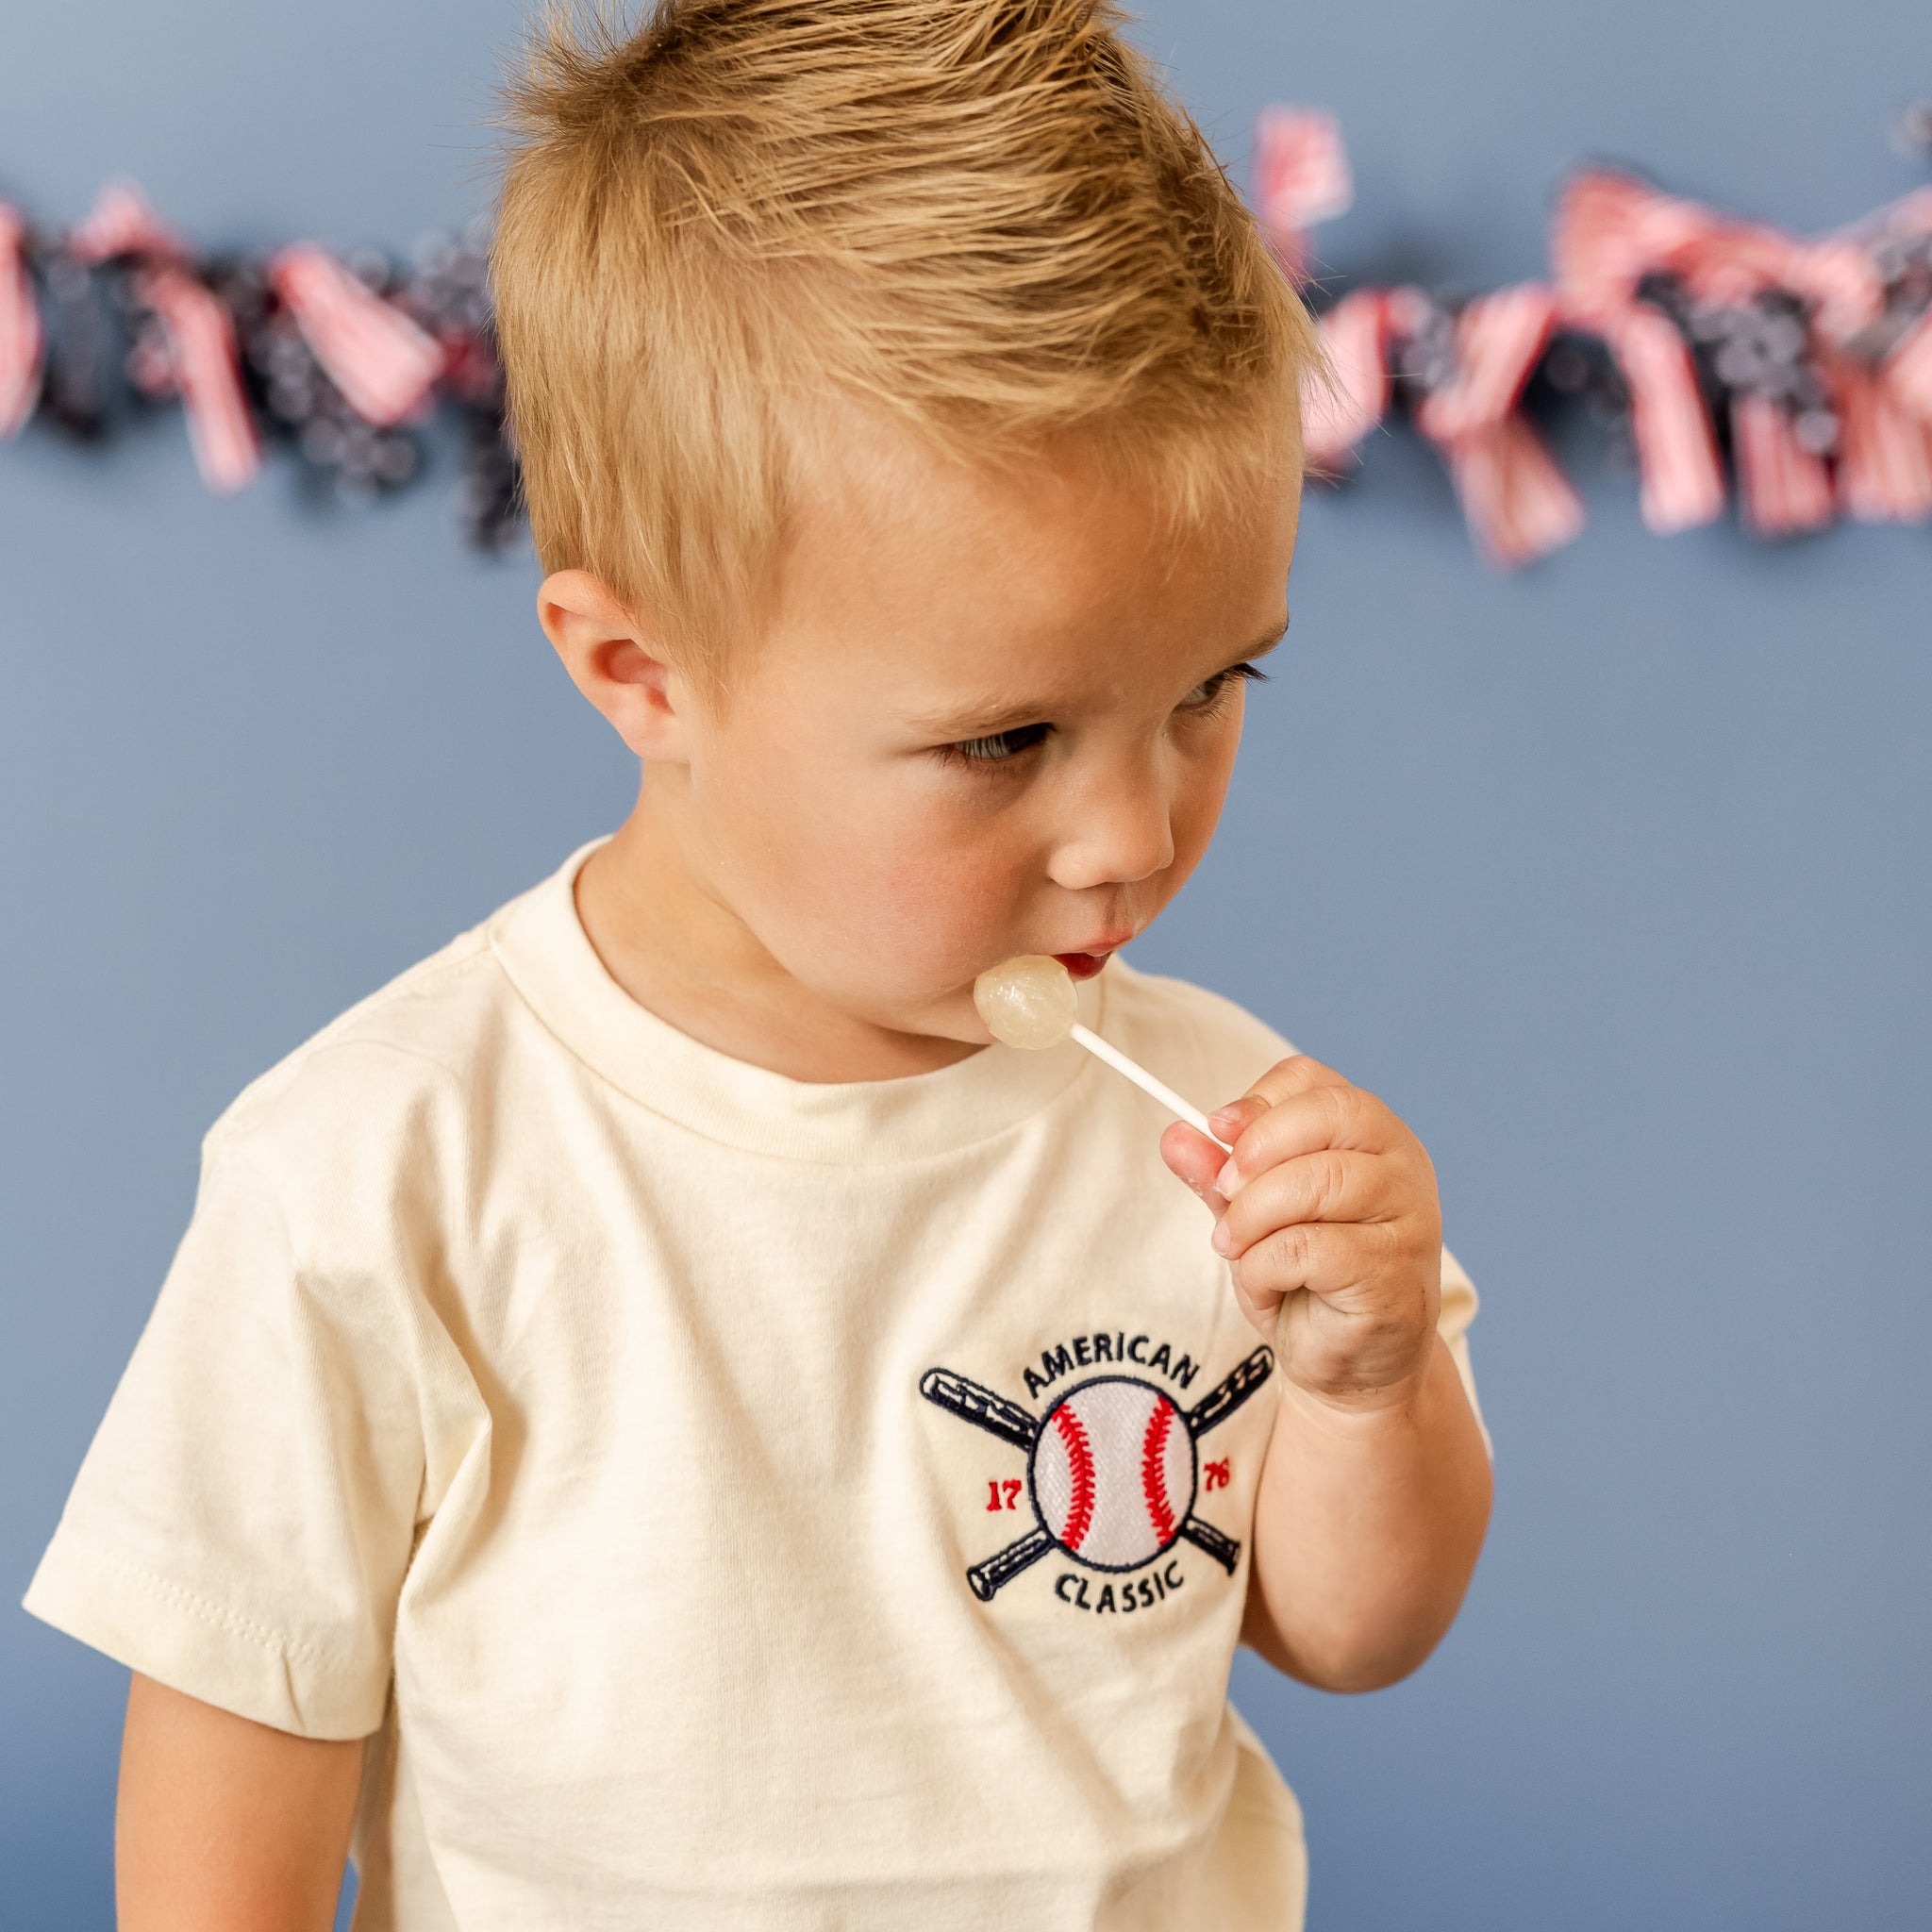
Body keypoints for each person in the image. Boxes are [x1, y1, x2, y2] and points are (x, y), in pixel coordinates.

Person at [25, 3, 1492, 1925]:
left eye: (1214, 690)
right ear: (642, 673)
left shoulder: (1219, 1133)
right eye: (1006, 738)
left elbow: (1351, 1630)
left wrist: (1370, 1387)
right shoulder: (382, 1173)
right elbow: (233, 1785)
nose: (1134, 836)